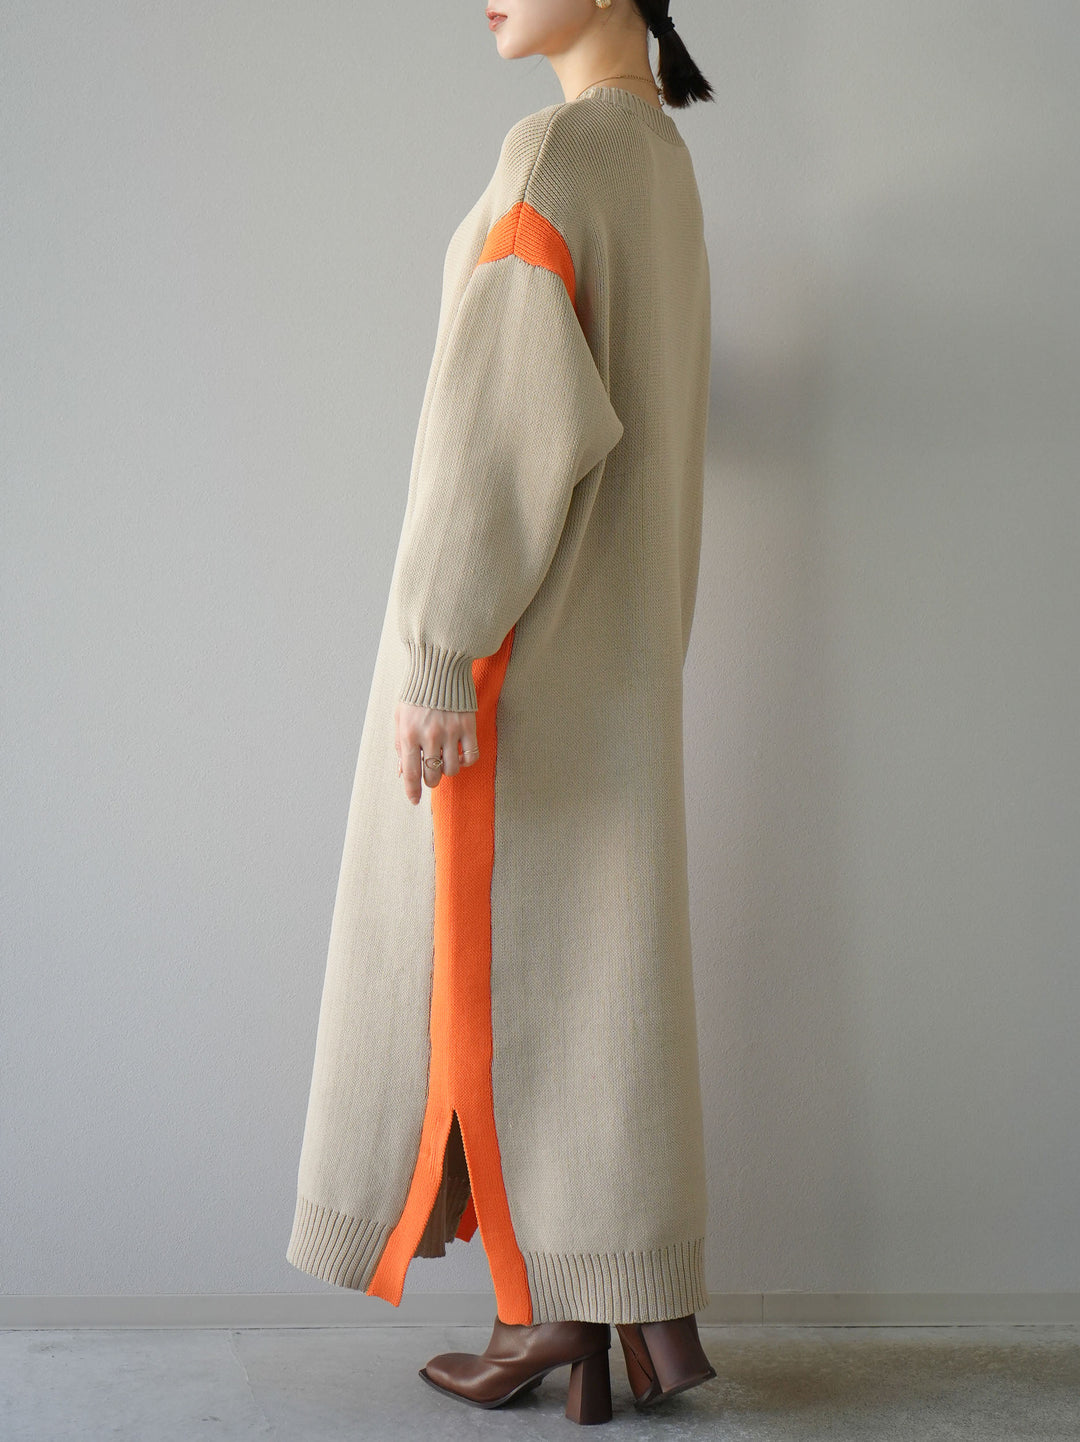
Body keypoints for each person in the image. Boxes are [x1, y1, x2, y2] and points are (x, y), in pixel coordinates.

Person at [286, 0, 716, 1424]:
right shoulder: (658, 161)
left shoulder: (555, 156)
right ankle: (610, 1308)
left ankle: (550, 1315)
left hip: (512, 676)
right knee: (594, 991)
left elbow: (498, 433)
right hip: (617, 667)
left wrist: (435, 652)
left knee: (493, 996)